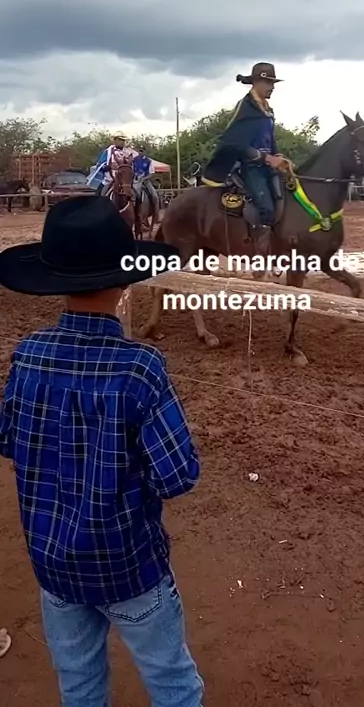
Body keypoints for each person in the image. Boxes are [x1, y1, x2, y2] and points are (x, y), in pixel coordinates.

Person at [0, 196, 204, 707]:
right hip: (128, 565)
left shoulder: (27, 355)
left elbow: (9, 439)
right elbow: (177, 476)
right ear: (123, 282)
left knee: (79, 683)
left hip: (53, 564)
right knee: (173, 681)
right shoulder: (140, 367)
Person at [202, 62, 293, 256]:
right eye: (268, 83)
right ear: (256, 82)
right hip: (250, 167)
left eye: (273, 83)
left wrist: (279, 156)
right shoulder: (246, 107)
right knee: (267, 208)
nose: (272, 87)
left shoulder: (267, 110)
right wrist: (267, 158)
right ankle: (260, 254)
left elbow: (270, 139)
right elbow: (236, 142)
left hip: (268, 166)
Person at [98, 131, 138, 196]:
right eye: (120, 140)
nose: (122, 142)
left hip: (126, 181)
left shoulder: (129, 153)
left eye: (123, 140)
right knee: (100, 194)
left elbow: (134, 166)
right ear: (115, 141)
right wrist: (109, 167)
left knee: (137, 194)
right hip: (110, 180)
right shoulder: (108, 152)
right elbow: (99, 166)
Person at [133, 146, 160, 224]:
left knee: (155, 196)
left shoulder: (148, 161)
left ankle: (156, 216)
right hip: (135, 181)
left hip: (145, 181)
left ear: (144, 152)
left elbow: (152, 173)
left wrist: (144, 179)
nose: (140, 152)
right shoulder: (134, 160)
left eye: (142, 151)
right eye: (139, 151)